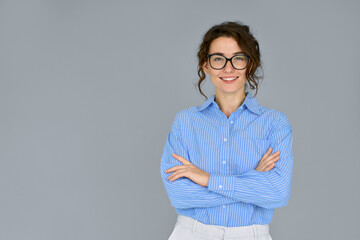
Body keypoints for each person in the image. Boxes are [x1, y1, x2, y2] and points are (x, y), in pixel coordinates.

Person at [160, 21, 293, 240]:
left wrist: (206, 178)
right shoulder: (185, 122)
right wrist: (251, 181)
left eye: (238, 58)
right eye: (218, 59)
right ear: (206, 65)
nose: (228, 68)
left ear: (250, 65)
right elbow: (180, 196)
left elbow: (277, 193)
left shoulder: (275, 123)